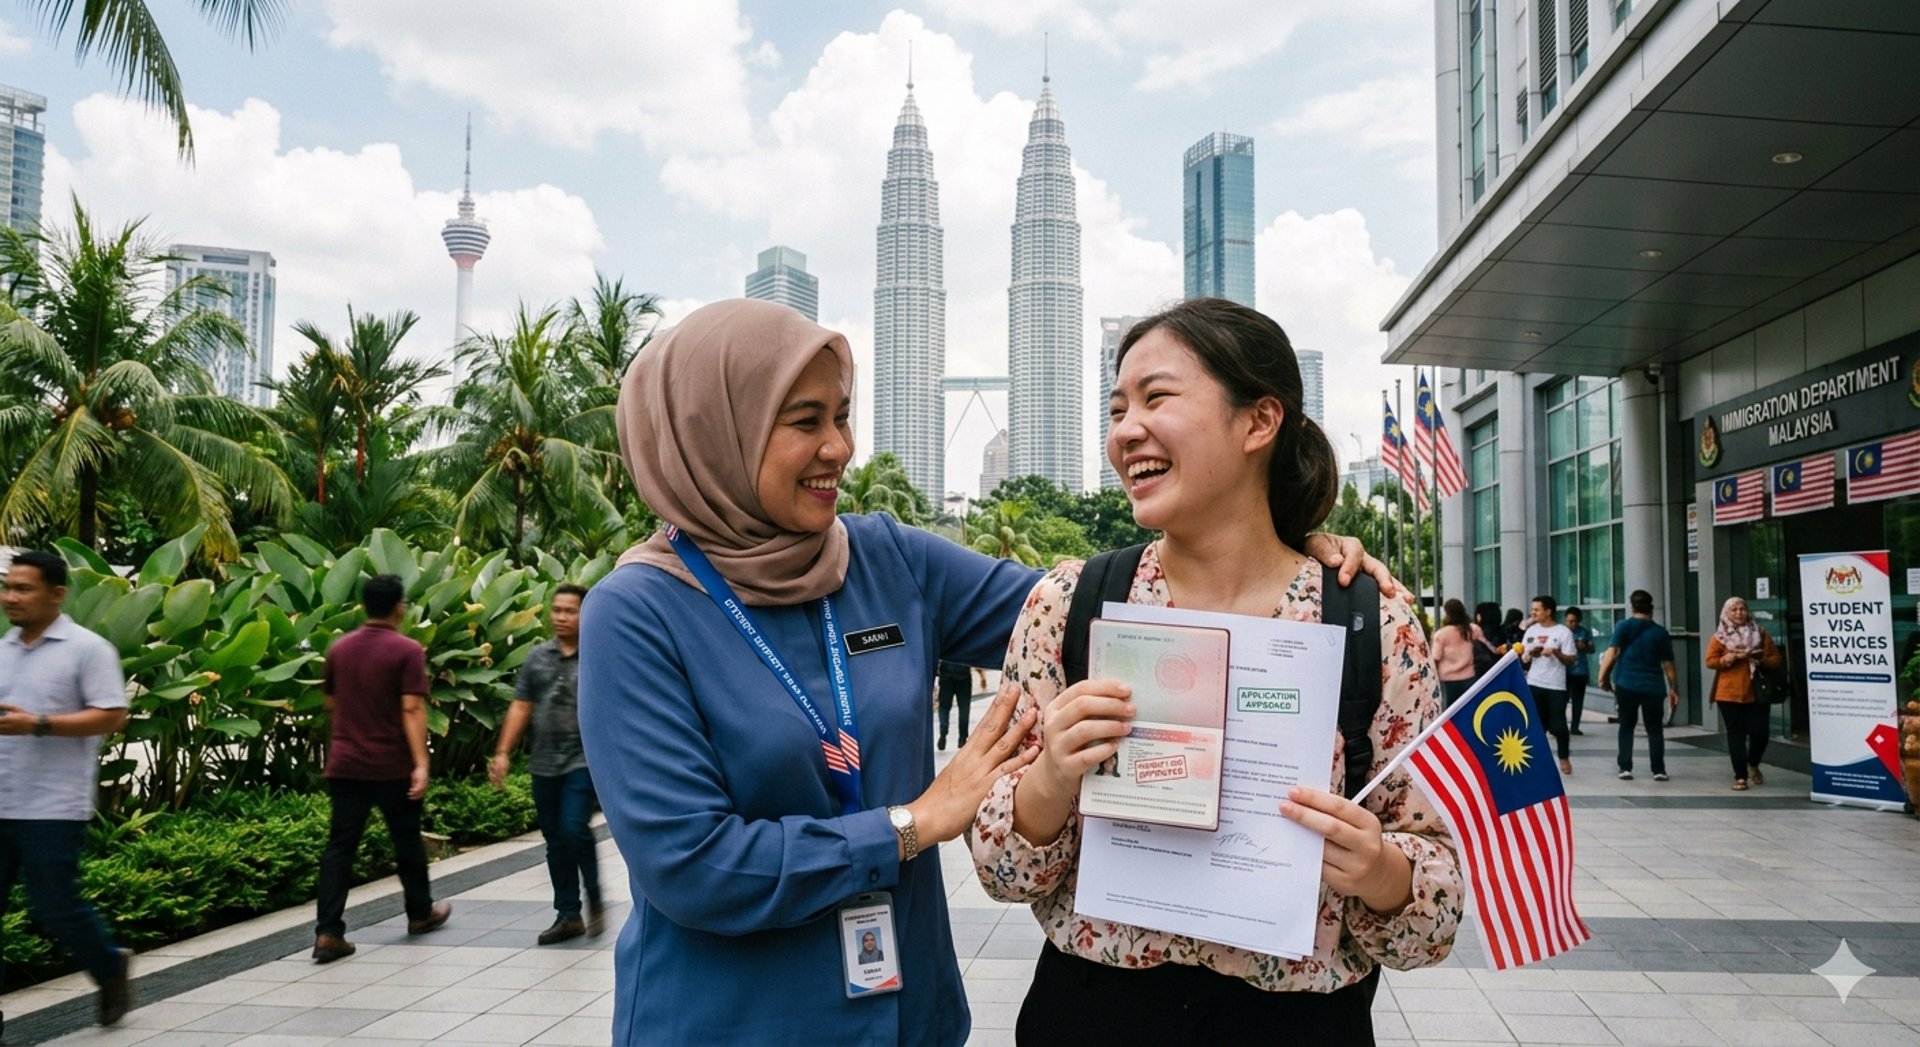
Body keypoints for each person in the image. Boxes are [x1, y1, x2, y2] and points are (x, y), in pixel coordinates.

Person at [574, 299, 1389, 1046]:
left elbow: (1092, 609)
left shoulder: (883, 559)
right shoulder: (638, 611)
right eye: (803, 421)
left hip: (905, 1016)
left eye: (843, 416)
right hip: (736, 1022)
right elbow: (692, 864)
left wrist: (1279, 555)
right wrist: (913, 822)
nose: (839, 447)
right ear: (716, 432)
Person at [972, 298, 1461, 1043]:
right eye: (1116, 408)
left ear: (1259, 422)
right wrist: (1051, 780)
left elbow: (1433, 917)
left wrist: (1381, 869)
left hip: (1299, 1022)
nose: (1125, 428)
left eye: (1157, 396)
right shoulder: (1070, 605)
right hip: (1097, 1012)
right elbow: (1001, 869)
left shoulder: (1367, 621)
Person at [0, 551, 133, 1033]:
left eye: (23, 588)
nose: (11, 597)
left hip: (52, 807)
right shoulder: (3, 649)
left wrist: (36, 724)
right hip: (1, 802)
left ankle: (109, 966)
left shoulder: (88, 649)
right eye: (8, 587)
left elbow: (112, 715)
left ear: (57, 594)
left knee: (55, 907)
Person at [313, 574, 451, 963]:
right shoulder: (406, 650)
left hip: (345, 765)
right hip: (391, 764)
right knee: (406, 840)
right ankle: (420, 913)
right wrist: (421, 763)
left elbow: (331, 704)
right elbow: (411, 708)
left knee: (340, 848)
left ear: (363, 607)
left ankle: (327, 932)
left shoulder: (339, 649)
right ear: (399, 608)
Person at [491, 583, 601, 945]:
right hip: (544, 763)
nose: (562, 617)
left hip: (583, 760)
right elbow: (521, 705)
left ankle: (595, 897)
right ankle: (568, 913)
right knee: (555, 839)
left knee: (574, 828)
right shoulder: (538, 657)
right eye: (557, 610)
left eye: (570, 611)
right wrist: (504, 752)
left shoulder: (599, 656)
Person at [1596, 590, 1678, 781]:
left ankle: (1625, 767)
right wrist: (1674, 688)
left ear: (1632, 607)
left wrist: (1603, 677)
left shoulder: (1623, 626)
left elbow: (1613, 652)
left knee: (1626, 726)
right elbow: (1668, 665)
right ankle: (1658, 769)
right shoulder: (1660, 632)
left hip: (1627, 684)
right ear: (1651, 608)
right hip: (1653, 686)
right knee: (1655, 728)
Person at [1707, 596, 1783, 791]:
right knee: (1736, 735)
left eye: (1742, 609)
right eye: (1734, 610)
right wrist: (1728, 658)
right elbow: (1710, 661)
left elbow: (1776, 660)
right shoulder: (1720, 636)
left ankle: (1753, 763)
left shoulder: (1760, 633)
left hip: (1757, 692)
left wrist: (1761, 658)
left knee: (1760, 733)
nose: (1739, 613)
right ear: (1727, 613)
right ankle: (1740, 776)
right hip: (1729, 693)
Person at [1520, 595, 1577, 775]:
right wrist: (1533, 654)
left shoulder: (1562, 632)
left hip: (1556, 685)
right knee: (1537, 725)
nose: (1533, 613)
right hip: (1534, 682)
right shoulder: (1531, 632)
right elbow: (1524, 658)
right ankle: (1538, 760)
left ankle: (1563, 756)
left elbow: (1571, 659)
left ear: (1548, 611)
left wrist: (1556, 653)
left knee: (1559, 725)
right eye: (1533, 609)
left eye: (1537, 610)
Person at [1429, 598, 1490, 706]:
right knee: (1470, 710)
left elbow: (1435, 658)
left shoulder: (1441, 634)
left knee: (1450, 713)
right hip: (1470, 676)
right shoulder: (1472, 629)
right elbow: (1486, 647)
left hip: (1448, 680)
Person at [1565, 606, 1593, 735]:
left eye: (1574, 621)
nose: (1572, 624)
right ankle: (1561, 725)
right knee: (1562, 700)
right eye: (1569, 621)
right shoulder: (1562, 632)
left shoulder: (1585, 632)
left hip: (1580, 670)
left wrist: (1585, 646)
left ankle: (1575, 726)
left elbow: (1592, 649)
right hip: (1564, 671)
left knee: (1578, 700)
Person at [936, 659, 973, 750]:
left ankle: (943, 733)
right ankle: (962, 739)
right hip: (963, 673)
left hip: (946, 673)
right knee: (964, 708)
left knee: (944, 707)